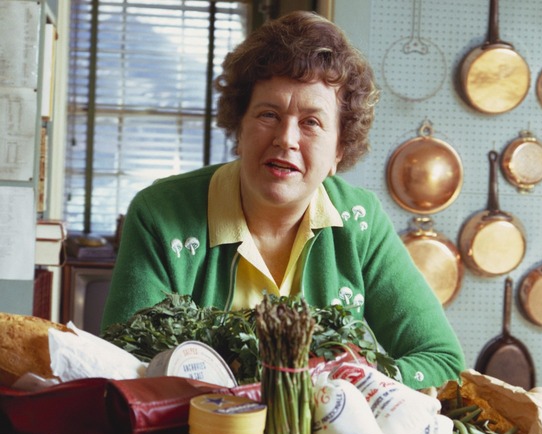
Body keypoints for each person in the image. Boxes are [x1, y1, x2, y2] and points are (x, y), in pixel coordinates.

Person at [101, 10, 465, 389]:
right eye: (268, 114)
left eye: (311, 122)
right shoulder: (160, 213)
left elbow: (442, 361)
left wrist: (354, 383)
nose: (286, 139)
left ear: (339, 148)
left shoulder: (361, 222)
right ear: (239, 127)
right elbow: (123, 366)